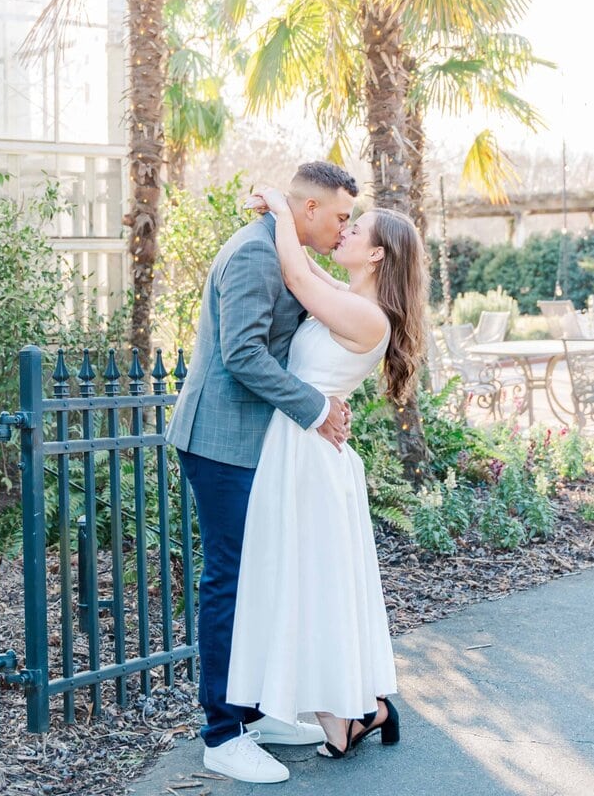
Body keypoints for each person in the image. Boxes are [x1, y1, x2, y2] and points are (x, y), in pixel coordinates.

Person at [165, 161, 359, 784]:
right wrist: (316, 408)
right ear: (309, 210)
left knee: (263, 581)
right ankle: (223, 735)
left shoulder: (280, 242)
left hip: (255, 445)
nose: (344, 227)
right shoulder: (253, 255)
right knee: (232, 582)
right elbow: (243, 353)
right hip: (222, 443)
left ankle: (256, 714)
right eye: (340, 216)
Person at [226, 185, 427, 765]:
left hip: (310, 461)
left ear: (377, 255)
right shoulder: (351, 297)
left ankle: (356, 711)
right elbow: (308, 275)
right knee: (305, 582)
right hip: (299, 451)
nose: (344, 233)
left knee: (311, 582)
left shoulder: (368, 316)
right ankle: (353, 711)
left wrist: (282, 209)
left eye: (355, 229)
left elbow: (295, 275)